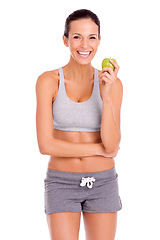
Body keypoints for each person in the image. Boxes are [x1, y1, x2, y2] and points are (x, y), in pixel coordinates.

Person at [35, 9, 123, 240]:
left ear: (99, 40)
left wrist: (107, 97)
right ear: (65, 40)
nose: (85, 45)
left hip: (103, 182)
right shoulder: (48, 81)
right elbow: (45, 145)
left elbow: (112, 143)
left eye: (92, 37)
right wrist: (97, 149)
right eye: (77, 37)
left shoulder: (113, 84)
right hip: (61, 182)